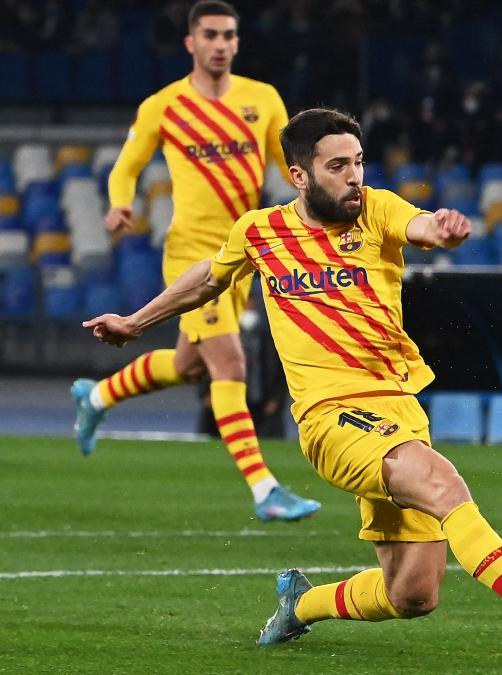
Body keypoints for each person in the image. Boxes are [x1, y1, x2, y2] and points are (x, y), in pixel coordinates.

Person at [81, 109, 502, 664]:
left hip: (399, 413)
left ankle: (301, 605)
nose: (354, 175)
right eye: (337, 166)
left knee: (412, 594)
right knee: (442, 481)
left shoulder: (377, 209)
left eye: (358, 162)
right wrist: (137, 323)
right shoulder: (261, 230)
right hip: (330, 418)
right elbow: (210, 277)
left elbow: (421, 226)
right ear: (300, 176)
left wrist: (443, 228)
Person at [68, 0, 319, 523]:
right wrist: (120, 202)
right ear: (191, 43)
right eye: (210, 35)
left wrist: (321, 201)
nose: (221, 44)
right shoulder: (164, 105)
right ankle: (264, 489)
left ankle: (97, 398)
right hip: (190, 253)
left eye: (229, 35)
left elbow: (292, 166)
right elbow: (126, 166)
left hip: (243, 254)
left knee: (188, 364)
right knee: (229, 363)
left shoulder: (263, 99)